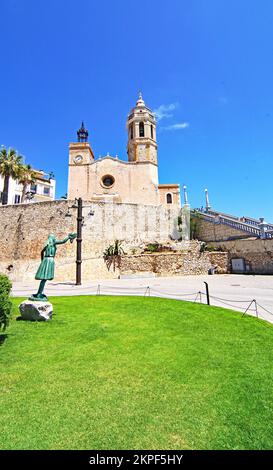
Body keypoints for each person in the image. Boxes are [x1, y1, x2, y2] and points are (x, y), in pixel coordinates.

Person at [30, 233, 76, 301]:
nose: (55, 238)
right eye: (54, 237)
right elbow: (63, 241)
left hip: (46, 260)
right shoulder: (53, 243)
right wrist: (68, 237)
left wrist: (42, 260)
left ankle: (39, 293)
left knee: (44, 279)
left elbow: (42, 252)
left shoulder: (47, 244)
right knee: (44, 279)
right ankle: (39, 294)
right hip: (50, 260)